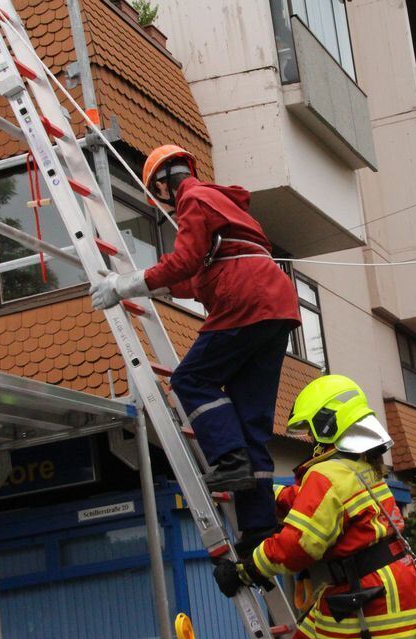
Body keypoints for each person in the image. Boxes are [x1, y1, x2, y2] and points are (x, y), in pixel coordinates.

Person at [89, 145, 300, 550]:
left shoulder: (194, 199)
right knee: (251, 420)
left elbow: (185, 262)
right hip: (276, 307)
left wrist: (123, 285)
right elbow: (198, 276)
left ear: (163, 182)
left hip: (245, 299)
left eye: (156, 191)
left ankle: (230, 458)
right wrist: (152, 286)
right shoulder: (225, 208)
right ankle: (259, 530)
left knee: (190, 379)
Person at [211, 375, 416, 639]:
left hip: (366, 599)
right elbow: (309, 502)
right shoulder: (359, 468)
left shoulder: (326, 475)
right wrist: (263, 495)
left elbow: (297, 545)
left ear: (328, 425)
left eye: (312, 432)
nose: (312, 441)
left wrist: (246, 570)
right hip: (394, 595)